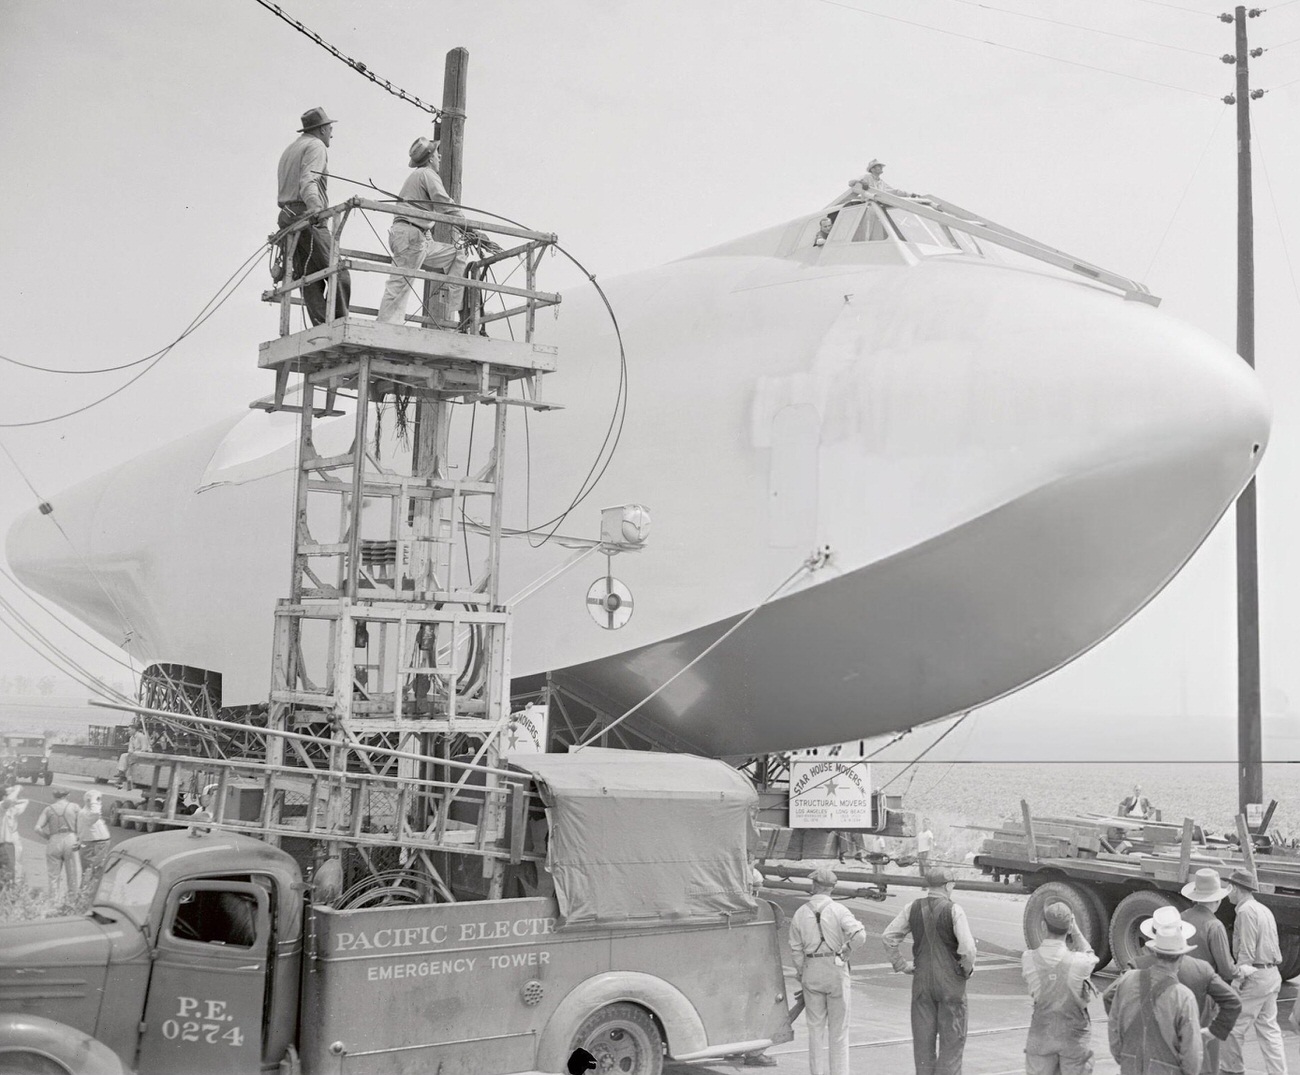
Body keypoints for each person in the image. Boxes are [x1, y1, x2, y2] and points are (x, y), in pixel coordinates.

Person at [1123, 906, 1241, 1075]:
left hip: (1151, 1055)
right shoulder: (1201, 969)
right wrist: (1213, 1031)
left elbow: (1113, 999)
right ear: (1182, 934)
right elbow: (1233, 1002)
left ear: (1152, 936)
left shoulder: (1136, 967)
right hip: (1194, 1054)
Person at [884, 867, 977, 1075]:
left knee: (923, 1047)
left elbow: (888, 937)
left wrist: (901, 964)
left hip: (921, 982)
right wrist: (966, 970)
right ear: (948, 885)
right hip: (950, 984)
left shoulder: (912, 907)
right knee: (952, 1045)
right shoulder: (954, 910)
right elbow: (968, 949)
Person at [375, 136, 467, 329]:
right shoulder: (427, 174)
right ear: (429, 158)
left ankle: (452, 313)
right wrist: (468, 226)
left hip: (416, 236)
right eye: (436, 153)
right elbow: (443, 204)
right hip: (410, 234)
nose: (440, 156)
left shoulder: (417, 176)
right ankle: (385, 327)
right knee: (400, 284)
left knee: (456, 255)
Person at [788, 865, 867, 1075]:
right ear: (831, 888)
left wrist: (802, 972)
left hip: (811, 969)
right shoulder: (839, 910)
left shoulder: (800, 913)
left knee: (815, 1029)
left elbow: (795, 949)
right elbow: (859, 935)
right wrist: (847, 949)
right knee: (839, 1031)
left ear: (815, 886)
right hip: (835, 967)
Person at [276, 106, 351, 325]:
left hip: (287, 217)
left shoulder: (291, 149)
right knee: (338, 271)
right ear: (321, 130)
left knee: (310, 277)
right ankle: (338, 324)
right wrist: (316, 207)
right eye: (329, 128)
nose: (331, 133)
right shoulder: (316, 146)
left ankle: (321, 326)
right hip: (305, 215)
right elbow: (308, 180)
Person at [1105, 912, 1205, 1074]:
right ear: (1181, 957)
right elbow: (1192, 1052)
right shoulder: (1183, 996)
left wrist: (1124, 1057)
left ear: (1154, 953)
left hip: (1130, 1066)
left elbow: (1113, 1025)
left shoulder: (1127, 980)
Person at [1220, 869, 1287, 1075]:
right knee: (1269, 1029)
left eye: (1229, 887)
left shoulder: (1245, 911)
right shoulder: (1262, 909)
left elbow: (1246, 951)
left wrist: (1237, 982)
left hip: (1255, 975)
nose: (1227, 892)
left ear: (1238, 889)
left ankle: (1232, 1071)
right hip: (1271, 973)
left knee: (1232, 1028)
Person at [1021, 900, 1098, 1075]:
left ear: (1043, 925)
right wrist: (1076, 930)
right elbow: (1090, 954)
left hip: (1041, 1035)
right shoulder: (1079, 962)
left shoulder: (1028, 959)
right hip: (1073, 1037)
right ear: (1069, 927)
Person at [1181, 868, 1239, 1073]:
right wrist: (1242, 970)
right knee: (1206, 1049)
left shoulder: (1182, 916)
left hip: (1178, 986)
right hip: (1204, 993)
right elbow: (1226, 969)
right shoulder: (1215, 926)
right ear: (1218, 900)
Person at [35, 788, 81, 899]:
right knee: (72, 874)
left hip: (54, 840)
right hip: (70, 838)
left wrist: (48, 837)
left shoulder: (48, 809)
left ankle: (53, 901)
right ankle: (72, 900)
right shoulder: (74, 807)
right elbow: (82, 825)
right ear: (67, 794)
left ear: (54, 796)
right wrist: (79, 839)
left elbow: (37, 828)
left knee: (53, 876)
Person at [76, 791, 111, 891]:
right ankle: (85, 893)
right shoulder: (86, 813)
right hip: (93, 845)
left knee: (96, 871)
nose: (99, 802)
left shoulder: (88, 813)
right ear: (88, 801)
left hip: (98, 844)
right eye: (97, 800)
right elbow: (95, 813)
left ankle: (88, 892)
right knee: (90, 872)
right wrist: (94, 800)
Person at [0, 784, 29, 885]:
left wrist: (14, 799)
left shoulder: (11, 809)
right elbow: (7, 802)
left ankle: (16, 885)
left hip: (11, 841)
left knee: (16, 865)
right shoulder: (1, 807)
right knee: (8, 868)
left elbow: (25, 801)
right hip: (4, 844)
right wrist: (16, 790)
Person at [849, 159, 919, 199]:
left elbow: (895, 192)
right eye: (878, 166)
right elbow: (850, 183)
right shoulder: (866, 177)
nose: (881, 168)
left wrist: (910, 195)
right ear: (872, 169)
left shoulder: (881, 183)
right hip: (868, 206)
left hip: (877, 206)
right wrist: (861, 182)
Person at [114, 720, 150, 789]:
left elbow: (144, 748)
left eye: (129, 730)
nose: (128, 732)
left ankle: (122, 774)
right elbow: (130, 748)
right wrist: (131, 752)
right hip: (134, 753)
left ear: (134, 730)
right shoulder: (131, 738)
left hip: (142, 753)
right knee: (125, 756)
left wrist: (135, 753)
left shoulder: (141, 736)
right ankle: (122, 774)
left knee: (125, 757)